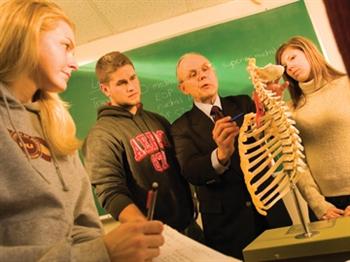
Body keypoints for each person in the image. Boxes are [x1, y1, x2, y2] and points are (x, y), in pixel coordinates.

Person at [0, 0, 164, 261]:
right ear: (26, 36)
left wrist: (99, 252)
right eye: (65, 46)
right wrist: (99, 253)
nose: (74, 64)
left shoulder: (57, 127)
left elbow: (85, 227)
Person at [171, 52, 291, 259]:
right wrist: (221, 155)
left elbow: (267, 134)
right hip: (228, 228)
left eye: (205, 69)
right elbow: (191, 171)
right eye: (192, 74)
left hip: (271, 212)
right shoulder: (181, 127)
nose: (202, 76)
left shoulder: (243, 104)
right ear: (183, 88)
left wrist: (272, 106)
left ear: (214, 73)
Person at [83, 51, 203, 241]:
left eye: (133, 78)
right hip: (157, 240)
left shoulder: (157, 120)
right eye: (121, 83)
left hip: (191, 228)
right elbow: (110, 192)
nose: (131, 87)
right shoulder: (101, 136)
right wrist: (146, 229)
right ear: (105, 89)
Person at [274, 36, 350, 221]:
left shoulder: (346, 84)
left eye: (292, 57)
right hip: (326, 206)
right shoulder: (290, 108)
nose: (289, 67)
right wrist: (318, 204)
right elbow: (295, 162)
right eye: (284, 65)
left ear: (309, 52)